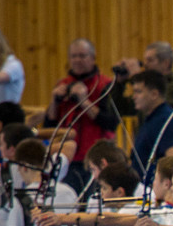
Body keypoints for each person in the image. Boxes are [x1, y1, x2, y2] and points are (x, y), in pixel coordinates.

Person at [43, 38, 117, 193]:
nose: (77, 60)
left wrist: (84, 101)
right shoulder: (63, 85)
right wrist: (54, 101)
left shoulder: (105, 84)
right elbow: (49, 125)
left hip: (95, 158)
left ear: (93, 58)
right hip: (68, 157)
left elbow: (110, 122)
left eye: (82, 56)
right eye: (74, 56)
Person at [127, 70, 173, 183]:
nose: (134, 97)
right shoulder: (150, 118)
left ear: (154, 94)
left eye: (138, 92)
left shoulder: (167, 120)